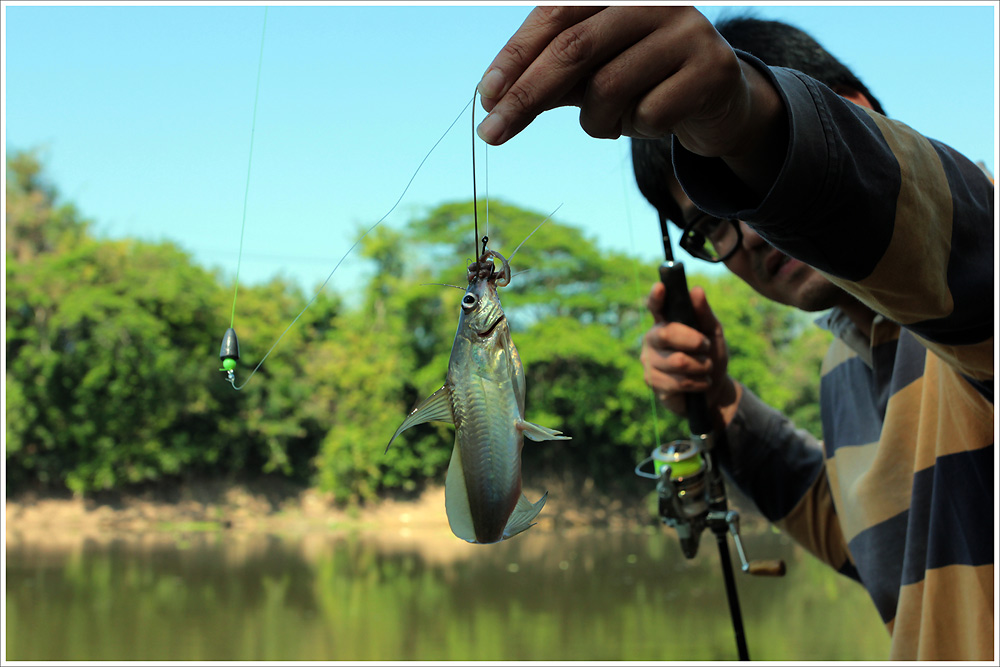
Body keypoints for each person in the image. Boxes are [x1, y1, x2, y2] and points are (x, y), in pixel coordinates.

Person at [475, 6, 995, 661]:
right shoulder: (845, 356)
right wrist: (720, 402)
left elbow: (957, 248)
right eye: (712, 222)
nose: (749, 230)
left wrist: (752, 122)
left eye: (743, 182)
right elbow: (879, 543)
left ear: (850, 110)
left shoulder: (981, 269)